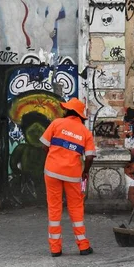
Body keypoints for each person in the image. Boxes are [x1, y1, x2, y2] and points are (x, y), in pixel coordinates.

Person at [40, 98, 96, 257]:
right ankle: (83, 246)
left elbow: (44, 145)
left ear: (67, 111)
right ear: (80, 115)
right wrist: (85, 171)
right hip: (73, 175)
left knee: (54, 208)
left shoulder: (56, 123)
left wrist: (54, 157)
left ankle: (55, 248)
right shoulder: (85, 132)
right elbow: (90, 157)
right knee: (76, 208)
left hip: (52, 171)